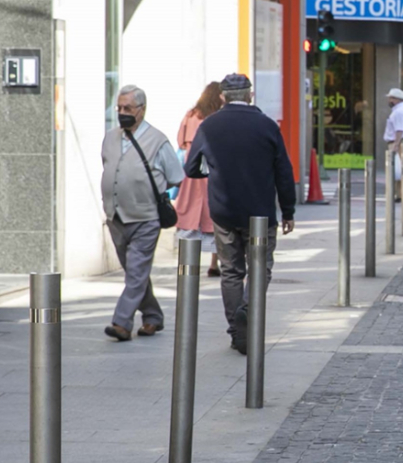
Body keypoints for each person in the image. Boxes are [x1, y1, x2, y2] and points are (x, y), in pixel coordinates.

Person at [185, 74, 297, 354]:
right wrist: (288, 210)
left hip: (223, 211)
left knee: (231, 271)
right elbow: (284, 171)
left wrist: (213, 170)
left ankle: (238, 333)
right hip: (260, 213)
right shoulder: (267, 126)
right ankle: (247, 309)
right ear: (250, 95)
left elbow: (191, 168)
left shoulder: (209, 125)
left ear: (222, 97)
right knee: (261, 268)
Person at [100, 85, 185, 341]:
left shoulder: (158, 141)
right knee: (135, 273)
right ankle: (153, 317)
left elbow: (176, 176)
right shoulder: (110, 137)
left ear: (142, 109)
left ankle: (121, 323)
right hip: (116, 217)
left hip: (146, 218)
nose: (123, 113)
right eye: (119, 108)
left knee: (136, 272)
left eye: (128, 108)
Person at [176, 82, 224, 277]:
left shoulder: (191, 115)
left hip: (191, 170)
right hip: (210, 168)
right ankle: (214, 263)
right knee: (212, 215)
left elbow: (180, 140)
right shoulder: (216, 118)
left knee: (190, 215)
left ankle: (189, 262)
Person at [384, 88, 403, 199]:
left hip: (400, 141)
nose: (389, 100)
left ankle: (400, 193)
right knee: (399, 169)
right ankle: (400, 194)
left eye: (391, 98)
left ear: (396, 99)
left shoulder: (399, 112)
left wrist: (396, 145)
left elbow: (399, 130)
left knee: (396, 169)